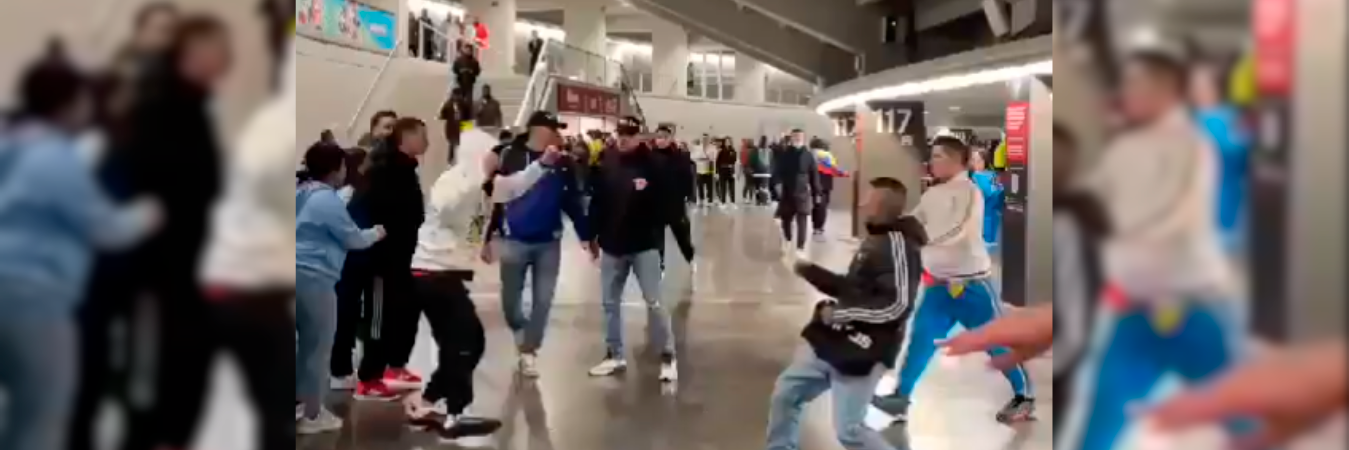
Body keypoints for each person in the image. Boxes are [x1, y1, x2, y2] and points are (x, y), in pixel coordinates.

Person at [1064, 49, 1251, 450]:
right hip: (1133, 307)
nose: (1125, 92)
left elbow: (1174, 216)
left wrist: (1109, 229)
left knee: (1237, 414)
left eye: (1134, 83)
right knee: (1102, 415)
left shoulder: (1193, 145)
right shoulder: (1124, 149)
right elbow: (1092, 196)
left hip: (1195, 305)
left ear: (1164, 90)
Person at [0, 53, 162, 450]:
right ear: (71, 103)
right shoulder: (55, 157)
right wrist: (148, 214)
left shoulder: (11, 144)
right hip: (37, 296)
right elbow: (105, 228)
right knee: (41, 414)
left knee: (18, 410)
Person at [115, 17, 232, 450]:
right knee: (158, 372)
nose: (227, 58)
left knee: (185, 367)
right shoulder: (158, 105)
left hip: (187, 263)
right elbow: (158, 183)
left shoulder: (194, 104)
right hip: (160, 267)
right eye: (218, 47)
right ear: (193, 52)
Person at [872, 136, 1035, 424]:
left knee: (996, 341)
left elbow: (958, 229)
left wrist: (923, 240)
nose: (932, 162)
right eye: (932, 156)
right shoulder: (933, 193)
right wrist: (892, 229)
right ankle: (901, 397)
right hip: (938, 285)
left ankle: (1024, 396)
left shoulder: (970, 192)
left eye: (938, 156)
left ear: (955, 161)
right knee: (920, 340)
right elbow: (915, 219)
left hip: (972, 286)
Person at [193, 33, 299, 450]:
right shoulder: (271, 131)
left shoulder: (263, 127)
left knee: (259, 404)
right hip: (247, 288)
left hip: (239, 283)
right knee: (267, 403)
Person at [764, 177, 925, 450]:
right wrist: (806, 269)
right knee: (786, 394)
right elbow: (852, 289)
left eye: (869, 199)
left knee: (849, 430)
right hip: (835, 340)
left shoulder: (899, 246)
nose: (862, 204)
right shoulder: (875, 240)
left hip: (865, 350)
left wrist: (841, 313)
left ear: (883, 206)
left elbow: (897, 305)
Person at [400, 129, 506, 443]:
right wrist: (475, 180)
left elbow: (513, 188)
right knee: (464, 343)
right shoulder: (454, 181)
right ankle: (454, 414)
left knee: (465, 341)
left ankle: (427, 403)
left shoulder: (482, 185)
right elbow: (446, 208)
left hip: (446, 275)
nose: (496, 162)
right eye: (491, 156)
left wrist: (544, 165)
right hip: (433, 274)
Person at [483, 111, 595, 378]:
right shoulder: (508, 156)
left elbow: (572, 203)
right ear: (537, 130)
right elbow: (494, 199)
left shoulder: (564, 163)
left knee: (543, 300)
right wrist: (487, 238)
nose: (557, 134)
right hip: (514, 240)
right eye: (553, 128)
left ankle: (529, 351)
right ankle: (521, 335)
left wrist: (586, 235)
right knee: (510, 301)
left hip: (549, 242)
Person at [295, 143, 386, 432]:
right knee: (319, 347)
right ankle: (312, 414)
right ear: (336, 168)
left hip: (295, 272)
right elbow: (352, 239)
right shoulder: (326, 199)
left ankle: (299, 404)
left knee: (305, 346)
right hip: (316, 277)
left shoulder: (302, 191)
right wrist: (377, 232)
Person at [585, 116, 678, 381]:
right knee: (609, 302)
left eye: (629, 133)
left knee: (654, 302)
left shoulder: (655, 165)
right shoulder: (606, 161)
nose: (623, 138)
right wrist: (590, 234)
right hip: (612, 246)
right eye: (620, 133)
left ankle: (668, 356)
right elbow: (597, 202)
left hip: (644, 247)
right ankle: (614, 354)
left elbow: (668, 204)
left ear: (639, 136)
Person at [353, 117, 432, 401]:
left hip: (403, 257)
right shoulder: (384, 170)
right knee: (379, 318)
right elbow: (380, 213)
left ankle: (391, 367)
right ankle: (368, 378)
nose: (427, 142)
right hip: (382, 260)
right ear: (406, 138)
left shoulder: (406, 168)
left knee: (400, 314)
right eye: (422, 136)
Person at [1048, 123, 1111, 427]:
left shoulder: (1065, 222)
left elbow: (1075, 306)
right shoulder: (1080, 214)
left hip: (1072, 361)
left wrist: (1057, 365)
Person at [651, 125, 696, 269]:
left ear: (670, 139)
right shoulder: (649, 157)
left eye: (664, 137)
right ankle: (660, 265)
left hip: (675, 204)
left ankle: (690, 259)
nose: (661, 140)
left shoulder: (680, 157)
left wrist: (689, 196)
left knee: (683, 236)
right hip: (656, 204)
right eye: (658, 137)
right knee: (657, 239)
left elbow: (687, 178)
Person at [772, 129, 819, 259]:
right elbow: (777, 171)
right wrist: (777, 185)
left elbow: (814, 174)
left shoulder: (808, 155)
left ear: (803, 138)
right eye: (795, 136)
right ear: (791, 138)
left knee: (802, 220)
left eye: (800, 136)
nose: (797, 138)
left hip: (803, 192)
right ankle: (787, 239)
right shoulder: (785, 154)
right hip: (787, 191)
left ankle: (800, 247)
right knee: (786, 219)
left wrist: (817, 192)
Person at [968, 149, 1003, 251]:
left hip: (988, 216)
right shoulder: (975, 176)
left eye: (979, 160)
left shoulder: (985, 176)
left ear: (985, 161)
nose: (976, 163)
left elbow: (993, 193)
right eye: (973, 160)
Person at [439, 90, 464, 163]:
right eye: (455, 95)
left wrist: (469, 127)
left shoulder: (462, 104)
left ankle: (457, 158)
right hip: (451, 127)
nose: (457, 97)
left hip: (460, 126)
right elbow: (443, 114)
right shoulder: (448, 104)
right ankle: (451, 159)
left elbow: (467, 115)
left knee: (460, 143)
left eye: (458, 95)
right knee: (452, 143)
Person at [691, 135, 715, 205]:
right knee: (700, 185)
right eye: (704, 139)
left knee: (709, 185)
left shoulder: (712, 148)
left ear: (708, 140)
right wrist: (700, 158)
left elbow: (714, 157)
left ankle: (709, 199)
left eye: (707, 139)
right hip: (700, 168)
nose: (705, 140)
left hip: (709, 168)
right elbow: (692, 157)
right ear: (702, 140)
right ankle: (701, 198)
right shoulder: (697, 148)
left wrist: (709, 158)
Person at [714, 136, 738, 206]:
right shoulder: (721, 150)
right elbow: (717, 162)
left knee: (732, 187)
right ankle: (723, 202)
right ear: (724, 142)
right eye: (726, 141)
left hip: (730, 170)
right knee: (723, 187)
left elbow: (734, 161)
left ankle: (733, 202)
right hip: (722, 170)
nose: (728, 143)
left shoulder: (733, 150)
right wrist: (717, 172)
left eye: (729, 141)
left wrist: (734, 172)